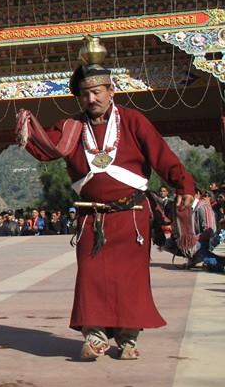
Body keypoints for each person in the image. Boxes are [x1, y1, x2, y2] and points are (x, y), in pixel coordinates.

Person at [16, 40, 195, 360]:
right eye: (85, 93)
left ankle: (128, 338)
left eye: (98, 91)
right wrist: (27, 129)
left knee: (130, 277)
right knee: (91, 275)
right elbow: (46, 146)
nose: (92, 98)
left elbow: (162, 157)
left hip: (132, 214)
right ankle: (95, 335)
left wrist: (184, 186)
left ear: (112, 90)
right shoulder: (71, 127)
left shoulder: (134, 121)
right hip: (91, 217)